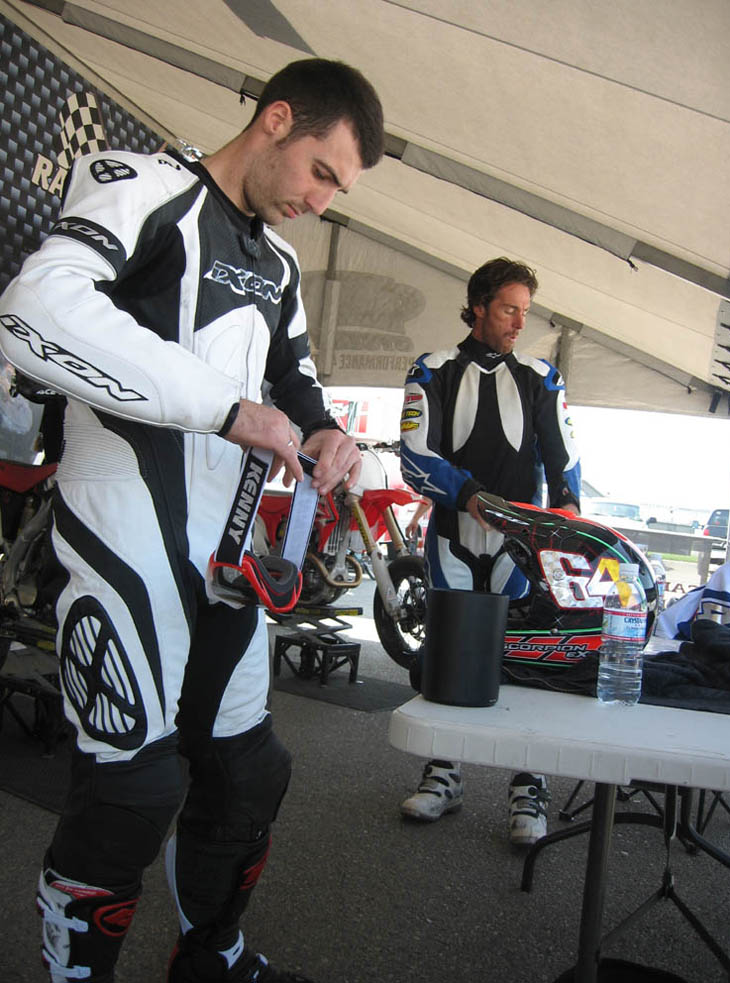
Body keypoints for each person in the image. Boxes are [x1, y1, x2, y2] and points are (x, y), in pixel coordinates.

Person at [0, 58, 384, 983]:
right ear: (276, 119)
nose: (320, 201)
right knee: (132, 784)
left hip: (226, 555)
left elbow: (293, 382)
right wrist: (226, 408)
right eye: (320, 172)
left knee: (249, 773)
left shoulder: (278, 264)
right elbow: (34, 306)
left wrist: (326, 432)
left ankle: (212, 959)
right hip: (122, 529)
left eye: (338, 188)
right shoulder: (144, 187)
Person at [398, 257, 581, 846]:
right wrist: (471, 495)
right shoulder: (432, 369)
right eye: (509, 309)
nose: (520, 322)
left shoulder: (542, 376)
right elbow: (413, 457)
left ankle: (529, 786)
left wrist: (568, 511)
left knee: (523, 659)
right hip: (452, 535)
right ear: (478, 306)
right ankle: (444, 773)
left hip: (520, 545)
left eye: (525, 311)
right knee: (450, 654)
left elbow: (564, 457)